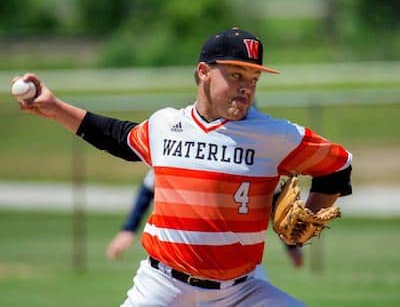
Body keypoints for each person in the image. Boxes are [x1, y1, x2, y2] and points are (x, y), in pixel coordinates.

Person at [13, 27, 352, 306]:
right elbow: (117, 137)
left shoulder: (274, 136)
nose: (246, 87)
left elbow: (338, 164)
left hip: (240, 292)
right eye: (235, 75)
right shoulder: (164, 125)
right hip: (161, 287)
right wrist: (54, 107)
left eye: (253, 79)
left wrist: (311, 210)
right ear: (203, 72)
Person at [106, 169, 304, 271]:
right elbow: (149, 187)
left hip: (241, 266)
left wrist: (291, 246)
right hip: (184, 261)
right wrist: (128, 229)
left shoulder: (260, 151)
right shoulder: (187, 144)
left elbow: (279, 205)